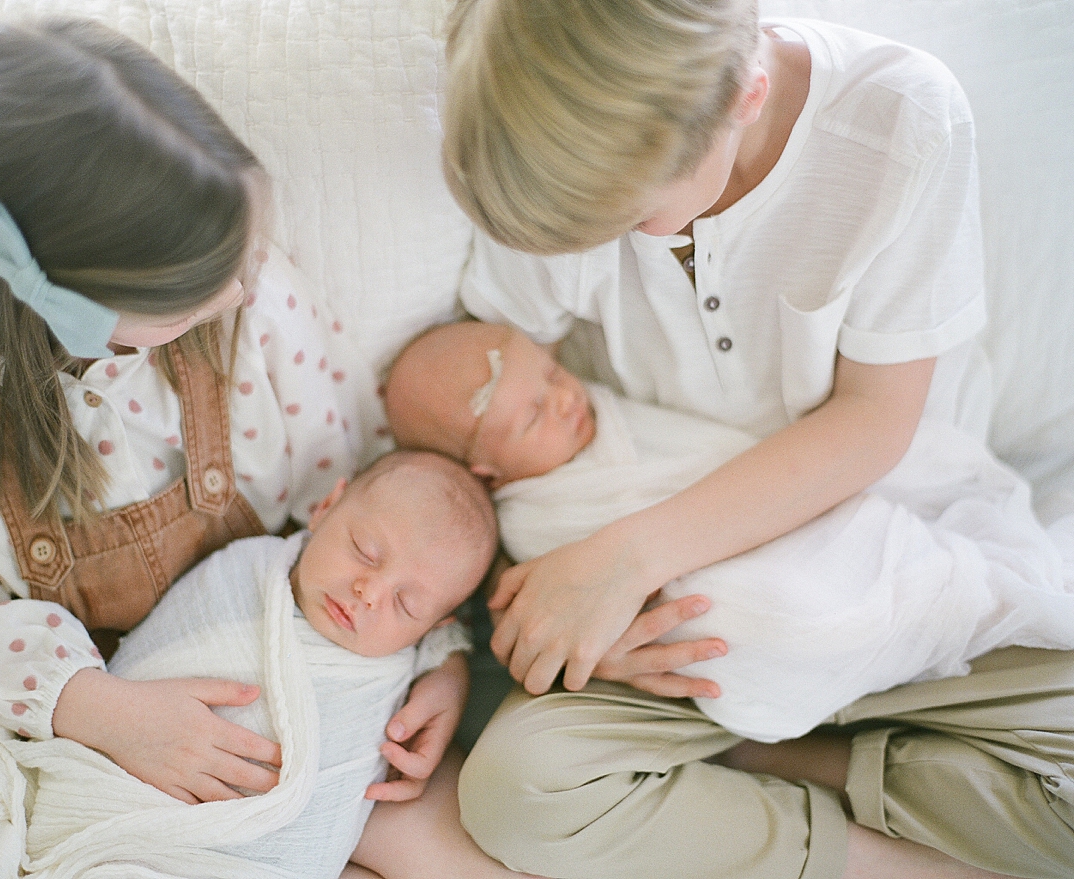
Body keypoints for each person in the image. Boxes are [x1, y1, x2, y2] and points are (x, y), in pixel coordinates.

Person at [440, 1, 1074, 877]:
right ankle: (866, 849)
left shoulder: (902, 120)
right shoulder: (558, 153)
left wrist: (622, 559)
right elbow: (486, 433)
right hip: (688, 636)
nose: (614, 243)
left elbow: (873, 422)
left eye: (633, 219)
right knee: (518, 787)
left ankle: (776, 764)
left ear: (746, 95)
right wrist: (556, 595)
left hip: (905, 561)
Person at [0, 19, 468, 879]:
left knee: (434, 834)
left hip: (267, 668)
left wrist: (435, 663)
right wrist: (100, 710)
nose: (238, 291)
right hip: (41, 699)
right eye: (196, 291)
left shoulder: (252, 314)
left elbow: (380, 511)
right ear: (70, 306)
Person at [386, 319, 1074, 743]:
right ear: (487, 470)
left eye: (555, 374)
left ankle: (926, 598)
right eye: (534, 414)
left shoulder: (607, 402)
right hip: (704, 621)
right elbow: (547, 603)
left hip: (771, 518)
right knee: (780, 616)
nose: (568, 399)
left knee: (824, 593)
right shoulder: (535, 518)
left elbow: (719, 460)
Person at [11, 448, 506, 878]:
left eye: (407, 605)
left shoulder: (408, 658)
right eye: (365, 552)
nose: (369, 593)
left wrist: (449, 664)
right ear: (326, 506)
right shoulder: (246, 569)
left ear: (434, 625)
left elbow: (443, 638)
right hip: (132, 823)